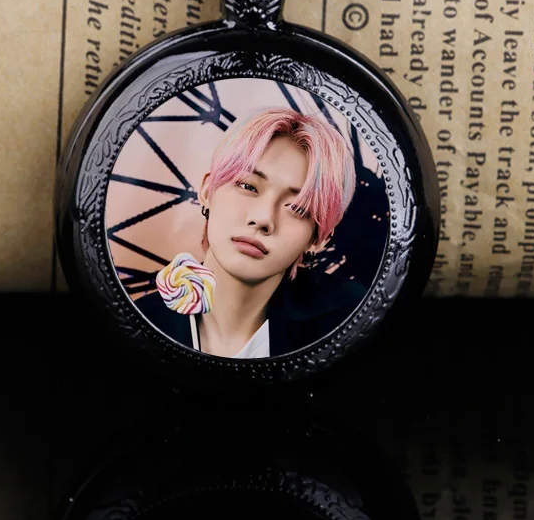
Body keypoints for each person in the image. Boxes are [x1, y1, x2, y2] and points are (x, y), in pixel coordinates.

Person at [135, 106, 366, 358]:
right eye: (248, 186)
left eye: (298, 208)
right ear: (207, 192)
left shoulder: (354, 321)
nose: (263, 218)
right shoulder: (137, 326)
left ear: (319, 238)